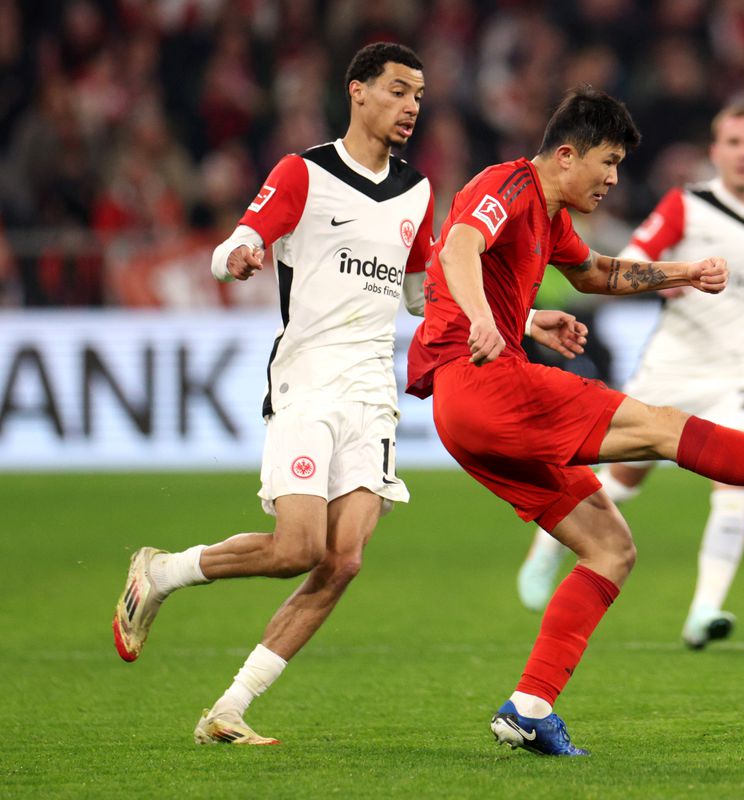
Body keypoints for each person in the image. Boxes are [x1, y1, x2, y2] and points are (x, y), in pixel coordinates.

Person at [406, 85, 744, 757]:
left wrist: (680, 273)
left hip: (466, 413)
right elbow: (458, 248)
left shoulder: (551, 215)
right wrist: (486, 320)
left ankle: (530, 707)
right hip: (487, 384)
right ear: (566, 155)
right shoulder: (506, 183)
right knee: (665, 430)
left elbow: (595, 273)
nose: (613, 179)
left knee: (611, 548)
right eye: (607, 162)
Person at [109, 42, 591, 746]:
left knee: (343, 561)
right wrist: (237, 256)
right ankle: (163, 571)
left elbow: (426, 294)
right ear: (356, 91)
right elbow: (231, 245)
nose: (411, 107)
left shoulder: (416, 191)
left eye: (418, 95)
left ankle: (229, 709)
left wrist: (525, 318)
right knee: (297, 547)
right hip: (307, 378)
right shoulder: (303, 173)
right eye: (397, 91)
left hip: (371, 389)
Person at [515, 102, 744, 651]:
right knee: (623, 478)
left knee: (737, 486)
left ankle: (705, 611)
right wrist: (674, 278)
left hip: (736, 373)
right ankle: (547, 547)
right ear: (716, 151)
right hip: (672, 364)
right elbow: (633, 257)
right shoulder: (686, 204)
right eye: (733, 142)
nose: (743, 153)